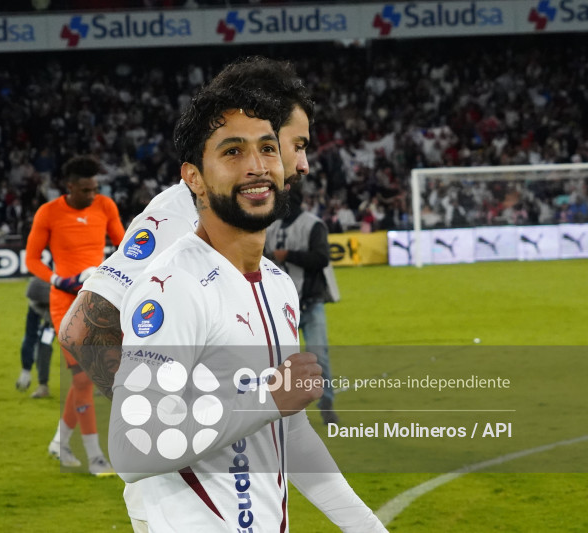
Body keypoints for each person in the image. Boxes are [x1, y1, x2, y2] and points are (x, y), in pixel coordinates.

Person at [108, 76, 386, 532]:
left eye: (268, 148)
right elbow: (131, 452)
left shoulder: (276, 284)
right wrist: (268, 398)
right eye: (233, 151)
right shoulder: (171, 286)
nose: (256, 166)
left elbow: (288, 430)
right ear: (194, 178)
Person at [59, 56, 317, 532]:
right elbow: (80, 330)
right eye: (296, 143)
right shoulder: (182, 212)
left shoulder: (263, 262)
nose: (302, 162)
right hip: (183, 491)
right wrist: (163, 420)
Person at [25, 155, 125, 476]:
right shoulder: (49, 213)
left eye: (95, 189)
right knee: (83, 377)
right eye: (85, 190)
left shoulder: (105, 206)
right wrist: (57, 279)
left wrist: (106, 272)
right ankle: (96, 457)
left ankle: (59, 443)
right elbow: (31, 259)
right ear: (69, 188)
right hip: (63, 303)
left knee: (86, 377)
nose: (92, 195)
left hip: (97, 299)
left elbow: (123, 246)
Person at [265, 180, 340, 425]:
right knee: (279, 358)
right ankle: (284, 409)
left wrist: (289, 256)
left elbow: (321, 258)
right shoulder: (271, 227)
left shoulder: (313, 225)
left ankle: (326, 402)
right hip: (282, 305)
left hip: (309, 300)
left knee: (318, 356)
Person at [15, 277, 54, 399]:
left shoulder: (67, 292)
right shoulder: (35, 301)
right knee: (44, 345)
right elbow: (30, 336)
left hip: (71, 313)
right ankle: (43, 386)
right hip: (51, 322)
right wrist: (25, 370)